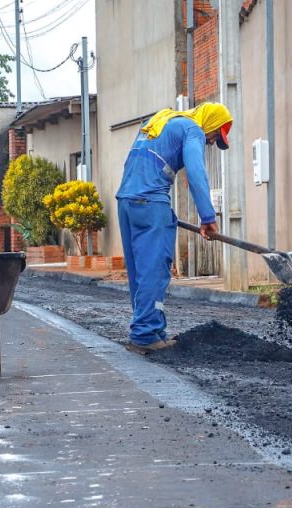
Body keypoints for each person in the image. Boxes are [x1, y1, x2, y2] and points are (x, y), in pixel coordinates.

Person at [115, 102, 232, 354]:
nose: (211, 143)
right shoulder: (193, 130)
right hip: (150, 201)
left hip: (126, 201)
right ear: (209, 124)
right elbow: (196, 172)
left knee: (139, 271)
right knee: (154, 269)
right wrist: (207, 217)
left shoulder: (162, 120)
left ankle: (152, 329)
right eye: (214, 137)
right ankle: (145, 335)